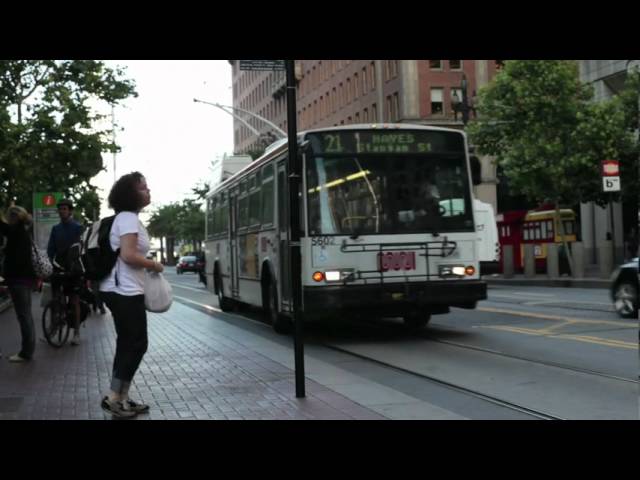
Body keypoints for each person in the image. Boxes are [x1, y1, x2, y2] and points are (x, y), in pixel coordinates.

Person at [99, 172, 163, 418]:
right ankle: (114, 398)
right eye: (143, 188)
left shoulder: (127, 218)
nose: (148, 191)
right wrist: (154, 265)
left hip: (121, 289)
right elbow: (128, 255)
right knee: (136, 344)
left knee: (129, 344)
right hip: (123, 290)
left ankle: (121, 398)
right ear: (130, 194)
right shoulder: (127, 219)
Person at [0, 205, 37, 362]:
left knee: (24, 316)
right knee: (26, 315)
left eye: (9, 216)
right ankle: (28, 350)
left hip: (18, 280)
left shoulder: (16, 232)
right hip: (24, 280)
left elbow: (3, 227)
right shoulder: (23, 232)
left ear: (14, 218)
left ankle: (26, 352)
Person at [47, 198, 83, 345]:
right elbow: (50, 249)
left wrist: (78, 266)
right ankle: (54, 324)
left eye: (65, 209)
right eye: (60, 209)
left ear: (70, 211)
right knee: (55, 298)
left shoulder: (77, 228)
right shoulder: (55, 229)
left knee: (74, 300)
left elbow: (80, 248)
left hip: (73, 268)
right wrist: (50, 263)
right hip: (58, 266)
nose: (62, 211)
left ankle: (76, 332)